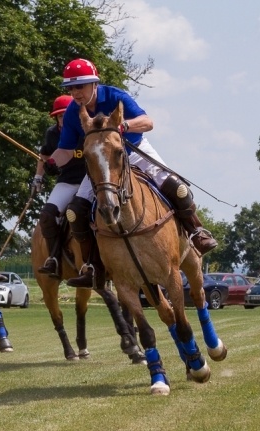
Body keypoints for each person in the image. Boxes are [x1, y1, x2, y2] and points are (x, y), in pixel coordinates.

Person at [44, 58, 218, 289]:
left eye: (81, 86)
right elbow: (65, 149)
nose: (75, 92)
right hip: (103, 163)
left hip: (133, 151)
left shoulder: (116, 96)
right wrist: (54, 161)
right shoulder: (75, 111)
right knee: (75, 212)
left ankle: (196, 231)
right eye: (71, 88)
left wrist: (124, 126)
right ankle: (92, 266)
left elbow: (148, 122)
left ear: (94, 84)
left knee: (177, 187)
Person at [33, 94, 89, 279]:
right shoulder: (52, 134)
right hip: (67, 181)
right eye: (59, 116)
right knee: (48, 215)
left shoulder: (86, 129)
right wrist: (39, 177)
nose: (63, 119)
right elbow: (44, 155)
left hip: (89, 180)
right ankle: (54, 259)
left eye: (66, 114)